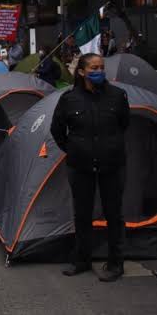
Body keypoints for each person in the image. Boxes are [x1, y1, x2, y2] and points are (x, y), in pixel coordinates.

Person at [50, 53, 130, 282]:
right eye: (94, 67)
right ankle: (82, 260)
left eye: (101, 67)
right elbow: (57, 130)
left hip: (112, 165)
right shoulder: (69, 99)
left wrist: (108, 146)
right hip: (80, 166)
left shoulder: (117, 96)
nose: (99, 71)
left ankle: (116, 263)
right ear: (82, 72)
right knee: (82, 214)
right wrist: (75, 149)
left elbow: (124, 124)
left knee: (114, 214)